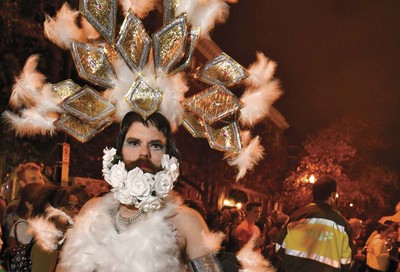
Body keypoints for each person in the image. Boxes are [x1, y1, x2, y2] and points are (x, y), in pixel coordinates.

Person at [56, 112, 227, 271]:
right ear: (119, 151)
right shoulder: (92, 211)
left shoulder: (186, 221)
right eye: (134, 143)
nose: (144, 153)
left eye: (155, 145)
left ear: (168, 156)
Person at [276, 175, 354, 272]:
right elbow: (346, 261)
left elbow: (279, 248)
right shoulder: (342, 225)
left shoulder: (296, 217)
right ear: (333, 195)